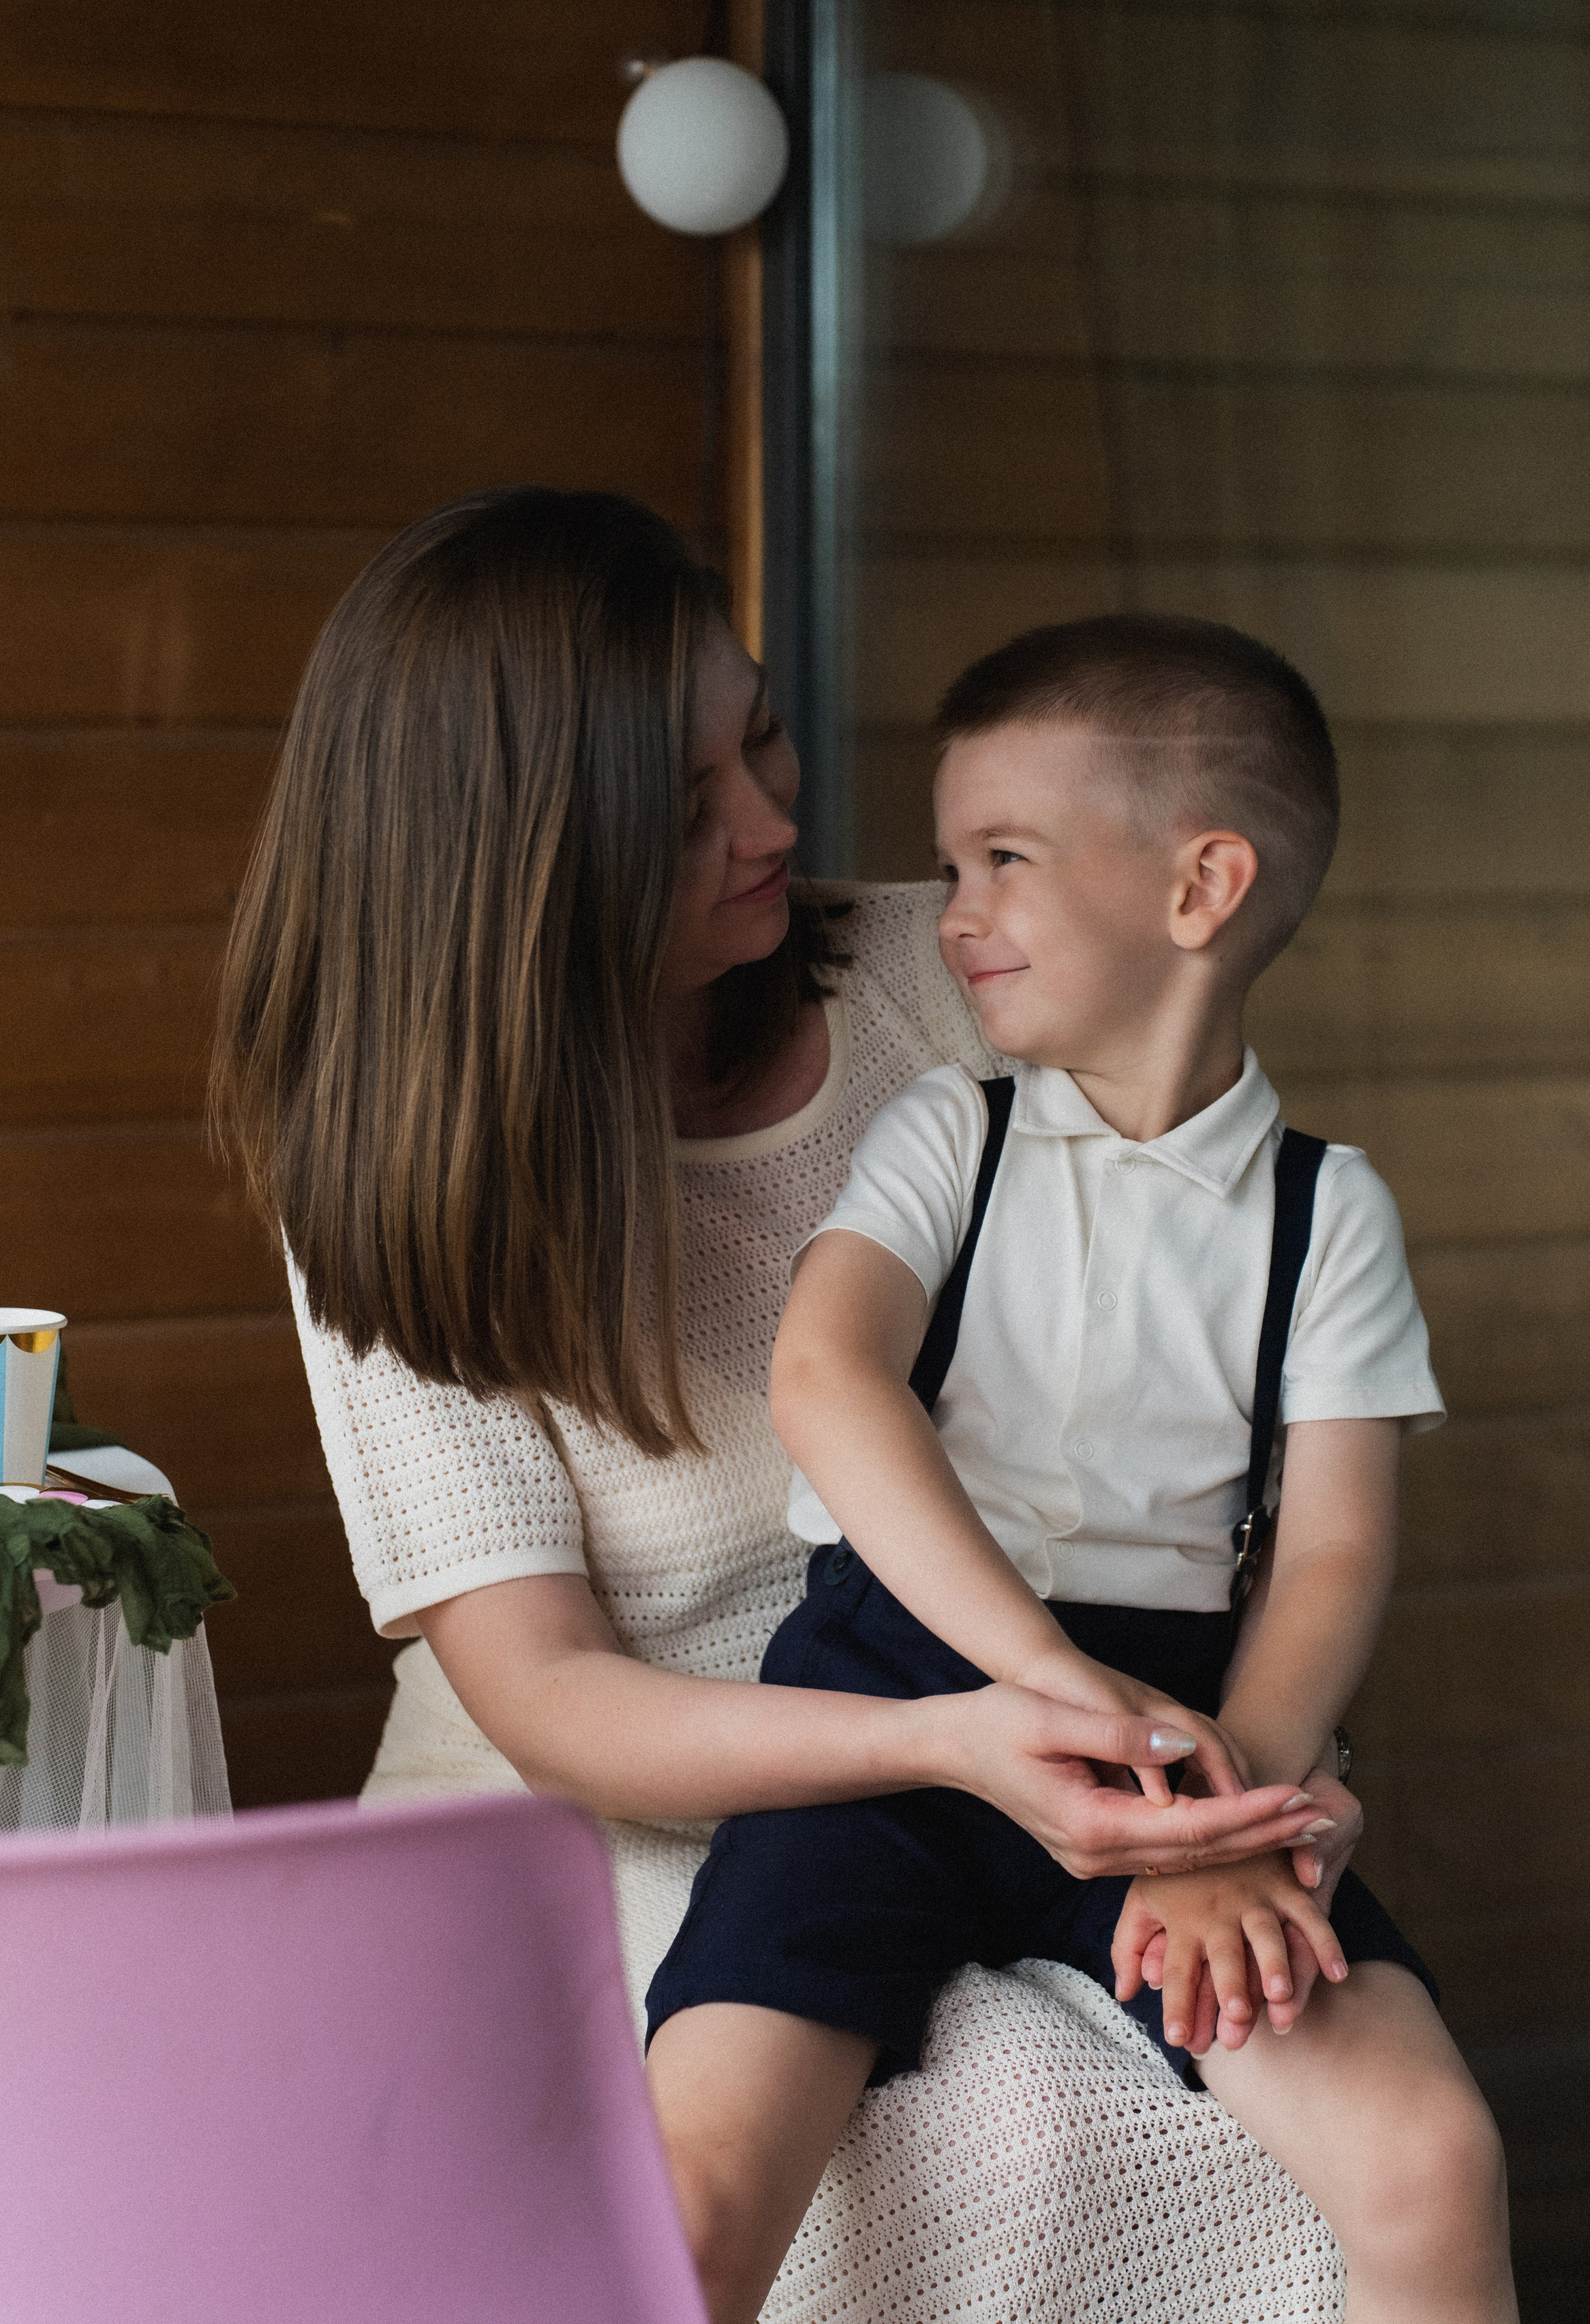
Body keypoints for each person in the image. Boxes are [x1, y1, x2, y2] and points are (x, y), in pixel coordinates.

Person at [213, 486, 1373, 2322]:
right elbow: (556, 1703)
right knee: (968, 2142)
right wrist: (956, 1742)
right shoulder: (394, 1173)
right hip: (604, 1821)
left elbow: (1234, 1461)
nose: (777, 821)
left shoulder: (971, 967)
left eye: (758, 733)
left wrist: (1239, 1775)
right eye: (687, 817)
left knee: (1307, 2135)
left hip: (1016, 1751)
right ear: (526, 869)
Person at [645, 615, 1517, 2324]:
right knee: (693, 2197)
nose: (950, 913)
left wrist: (1221, 1805)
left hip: (1191, 1736)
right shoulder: (941, 1136)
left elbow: (1329, 1553)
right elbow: (826, 1380)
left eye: (1001, 861)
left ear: (1198, 890)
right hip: (896, 1692)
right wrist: (1053, 1690)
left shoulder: (1327, 1215)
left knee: (1431, 2159)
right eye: (946, 862)